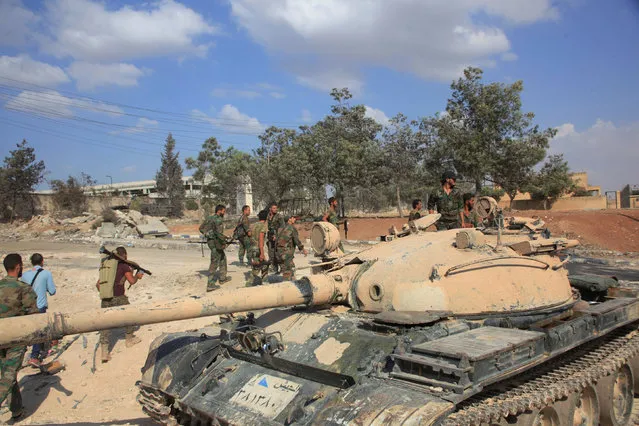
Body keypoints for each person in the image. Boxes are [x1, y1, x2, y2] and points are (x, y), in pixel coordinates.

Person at [0, 253, 38, 421]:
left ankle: (16, 410)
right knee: (8, 375)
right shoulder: (23, 288)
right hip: (16, 339)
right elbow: (34, 316)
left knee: (8, 373)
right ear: (18, 267)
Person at [96, 247, 143, 363]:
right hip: (119, 298)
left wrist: (107, 292)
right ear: (125, 255)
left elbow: (98, 285)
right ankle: (129, 340)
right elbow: (131, 281)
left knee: (105, 324)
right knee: (130, 317)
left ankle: (104, 353)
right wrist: (138, 276)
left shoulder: (108, 267)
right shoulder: (123, 266)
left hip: (106, 298)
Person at [20, 253, 57, 367]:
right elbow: (52, 291)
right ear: (42, 262)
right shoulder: (46, 274)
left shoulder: (25, 275)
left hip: (27, 306)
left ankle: (23, 354)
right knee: (39, 330)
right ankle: (34, 357)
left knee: (27, 329)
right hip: (39, 306)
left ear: (31, 262)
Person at [200, 204, 231, 291]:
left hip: (211, 242)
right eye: (224, 211)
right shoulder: (218, 220)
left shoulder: (210, 218)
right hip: (216, 243)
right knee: (214, 262)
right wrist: (224, 242)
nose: (224, 213)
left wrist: (207, 234)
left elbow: (201, 228)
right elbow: (219, 234)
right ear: (219, 211)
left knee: (222, 258)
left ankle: (222, 278)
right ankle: (210, 284)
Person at [276, 216, 308, 280]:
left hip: (279, 253)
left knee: (288, 270)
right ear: (289, 220)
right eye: (293, 218)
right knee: (288, 271)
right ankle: (288, 286)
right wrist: (303, 249)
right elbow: (296, 240)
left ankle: (291, 283)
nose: (295, 219)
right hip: (287, 254)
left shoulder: (281, 229)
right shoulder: (292, 228)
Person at [248, 209, 270, 286]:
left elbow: (249, 235)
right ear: (266, 217)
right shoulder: (263, 226)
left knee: (263, 265)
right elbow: (261, 238)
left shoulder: (253, 225)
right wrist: (262, 253)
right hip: (259, 249)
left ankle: (265, 282)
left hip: (253, 248)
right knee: (257, 268)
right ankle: (249, 284)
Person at [266, 202, 285, 274]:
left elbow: (282, 227)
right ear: (270, 209)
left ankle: (283, 268)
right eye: (274, 208)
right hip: (270, 237)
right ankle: (275, 268)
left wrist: (276, 236)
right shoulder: (268, 216)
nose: (275, 209)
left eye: (276, 208)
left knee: (278, 254)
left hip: (277, 237)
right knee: (271, 253)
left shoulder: (279, 217)